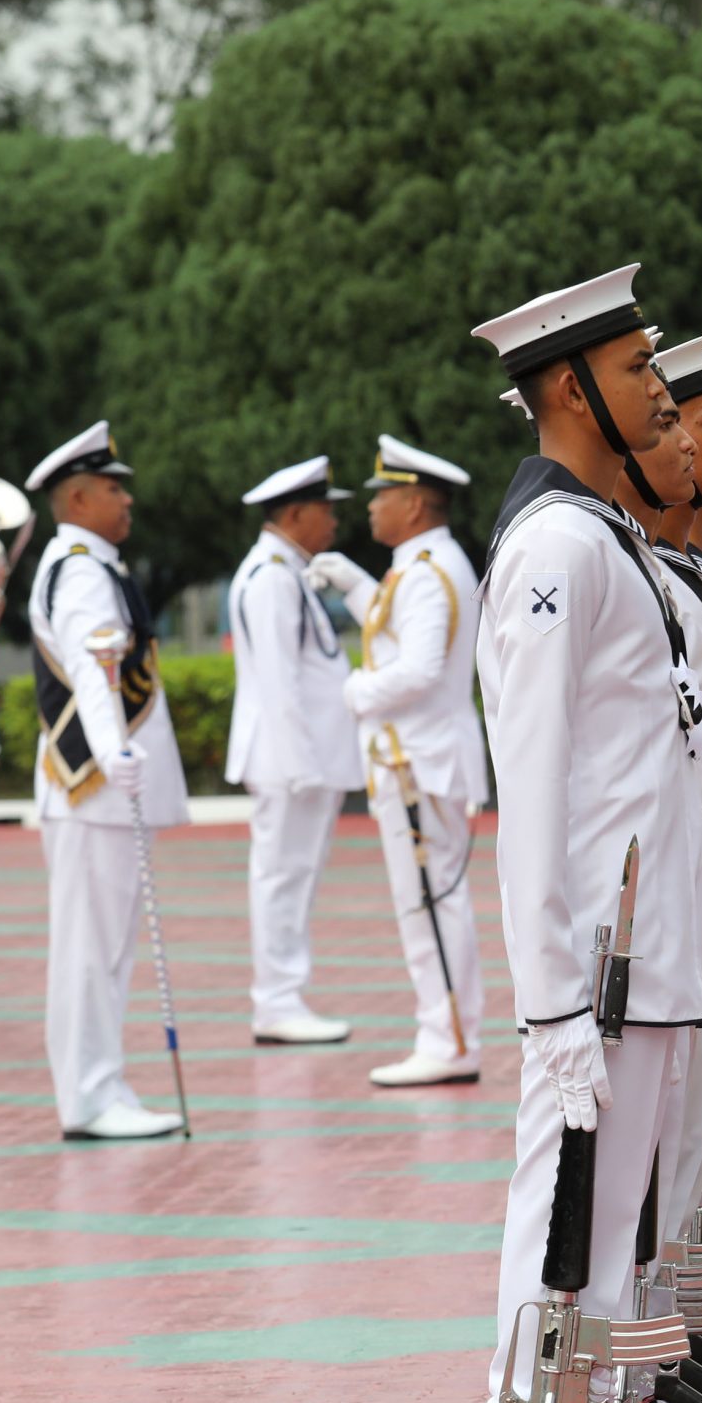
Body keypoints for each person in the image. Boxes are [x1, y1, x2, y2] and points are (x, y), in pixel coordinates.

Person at [470, 265, 702, 1403]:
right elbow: (536, 786)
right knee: (559, 1247)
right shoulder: (556, 552)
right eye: (636, 375)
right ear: (571, 388)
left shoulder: (598, 535)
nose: (656, 395)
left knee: (612, 1257)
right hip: (600, 980)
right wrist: (555, 1006)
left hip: (649, 963)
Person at [23, 421, 191, 1140]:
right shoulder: (84, 572)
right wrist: (113, 749)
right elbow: (96, 677)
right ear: (80, 496)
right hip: (96, 790)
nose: (127, 500)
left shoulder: (87, 564)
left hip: (93, 791)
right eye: (114, 489)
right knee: (93, 951)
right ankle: (90, 1096)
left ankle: (98, 1085)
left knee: (101, 948)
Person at [308, 435, 490, 1086]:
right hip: (416, 757)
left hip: (417, 762)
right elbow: (395, 627)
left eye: (381, 496)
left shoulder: (427, 572)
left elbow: (419, 667)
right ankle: (446, 1031)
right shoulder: (424, 564)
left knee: (430, 903)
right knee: (430, 899)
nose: (370, 508)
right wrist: (356, 583)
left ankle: (449, 1039)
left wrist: (355, 692)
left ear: (413, 505)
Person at [225, 456, 359, 1046]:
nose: (332, 522)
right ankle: (276, 1002)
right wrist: (303, 765)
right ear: (297, 513)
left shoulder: (285, 570)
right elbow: (279, 682)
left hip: (303, 759)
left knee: (293, 877)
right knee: (282, 878)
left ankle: (284, 996)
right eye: (326, 510)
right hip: (289, 762)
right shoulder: (271, 578)